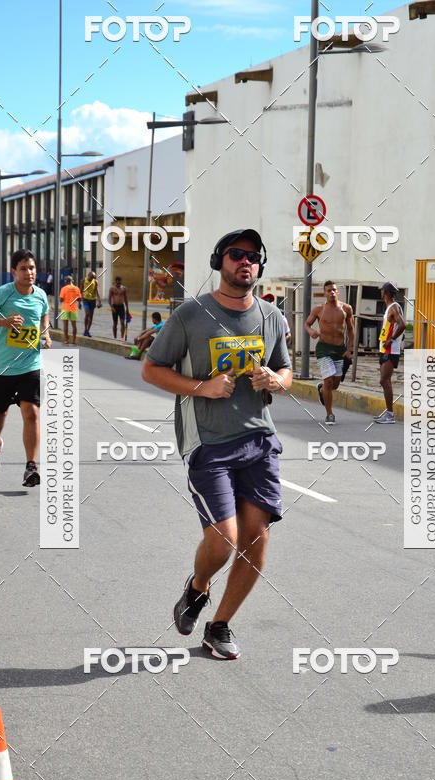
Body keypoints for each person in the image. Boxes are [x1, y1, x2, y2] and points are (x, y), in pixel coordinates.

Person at [142, 229, 292, 660]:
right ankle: (197, 587)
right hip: (208, 443)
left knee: (256, 539)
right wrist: (201, 388)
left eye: (252, 257)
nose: (245, 262)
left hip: (259, 439)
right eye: (235, 254)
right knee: (223, 539)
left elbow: (286, 372)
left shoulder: (271, 317)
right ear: (219, 261)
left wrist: (274, 382)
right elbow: (152, 369)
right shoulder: (191, 315)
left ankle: (220, 625)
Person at [0, 249, 51, 487]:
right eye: (23, 268)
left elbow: (45, 314)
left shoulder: (41, 295)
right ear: (13, 271)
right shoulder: (1, 294)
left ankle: (31, 467)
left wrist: (46, 333)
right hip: (1, 367)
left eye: (32, 268)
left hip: (30, 364)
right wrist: (2, 322)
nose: (29, 272)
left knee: (32, 412)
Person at [304, 280, 355, 424]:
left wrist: (349, 349)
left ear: (337, 292)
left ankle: (321, 390)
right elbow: (307, 324)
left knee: (335, 384)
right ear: (325, 293)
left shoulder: (346, 309)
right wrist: (311, 331)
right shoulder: (318, 309)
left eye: (334, 290)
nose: (331, 292)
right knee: (329, 379)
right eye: (328, 290)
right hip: (324, 348)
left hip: (340, 349)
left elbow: (351, 330)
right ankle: (329, 414)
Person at [374, 281, 405, 425]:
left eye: (382, 291)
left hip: (390, 350)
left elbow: (403, 325)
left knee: (384, 380)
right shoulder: (390, 307)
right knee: (385, 380)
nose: (381, 293)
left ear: (385, 293)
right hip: (385, 349)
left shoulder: (393, 308)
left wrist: (391, 340)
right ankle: (388, 412)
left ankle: (390, 414)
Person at [59, 275, 81, 346]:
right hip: (74, 308)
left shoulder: (64, 288)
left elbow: (61, 299)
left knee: (65, 325)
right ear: (72, 281)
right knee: (74, 325)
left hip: (65, 308)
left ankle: (66, 340)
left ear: (66, 281)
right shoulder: (76, 288)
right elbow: (80, 299)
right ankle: (74, 340)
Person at [108, 276, 129, 341]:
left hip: (121, 307)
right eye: (117, 283)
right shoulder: (112, 288)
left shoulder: (123, 288)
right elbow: (109, 299)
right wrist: (111, 307)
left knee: (122, 322)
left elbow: (125, 298)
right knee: (115, 323)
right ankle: (115, 337)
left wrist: (127, 308)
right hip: (115, 306)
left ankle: (122, 338)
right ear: (115, 282)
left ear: (121, 282)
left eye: (119, 283)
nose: (118, 284)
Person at [81, 270, 101, 336]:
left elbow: (97, 292)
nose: (93, 279)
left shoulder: (95, 282)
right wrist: (79, 302)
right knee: (87, 314)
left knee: (91, 317)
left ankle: (87, 331)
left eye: (94, 277)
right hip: (85, 299)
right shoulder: (83, 280)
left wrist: (99, 301)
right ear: (88, 275)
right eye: (92, 277)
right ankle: (85, 329)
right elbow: (81, 291)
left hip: (92, 300)